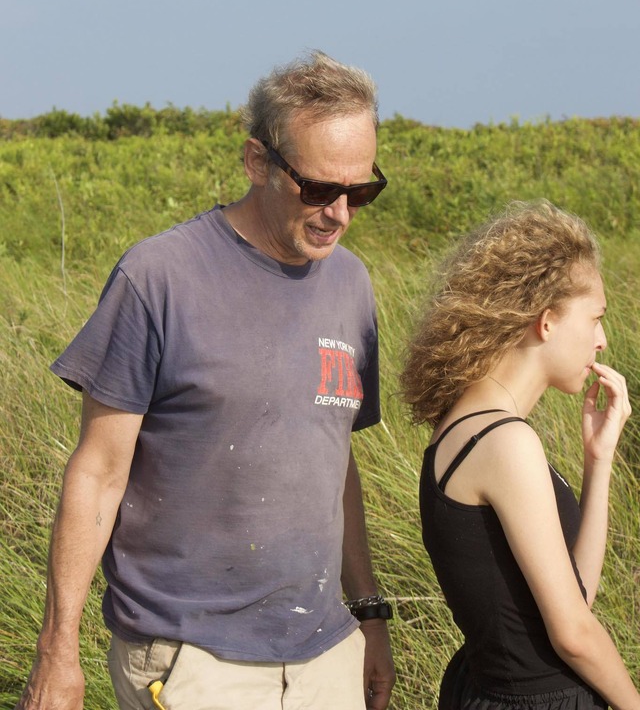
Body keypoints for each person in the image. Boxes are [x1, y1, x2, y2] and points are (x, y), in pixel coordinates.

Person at [16, 51, 396, 710]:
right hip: (190, 661)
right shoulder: (159, 278)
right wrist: (58, 650)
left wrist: (368, 613)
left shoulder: (352, 285)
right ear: (257, 161)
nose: (339, 213)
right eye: (317, 189)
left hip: (325, 655)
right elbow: (98, 472)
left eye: (360, 192)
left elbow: (336, 459)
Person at [401, 200, 639, 710]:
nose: (601, 340)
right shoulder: (506, 442)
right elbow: (574, 635)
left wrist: (598, 461)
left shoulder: (464, 426)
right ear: (547, 322)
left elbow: (577, 597)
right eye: (596, 318)